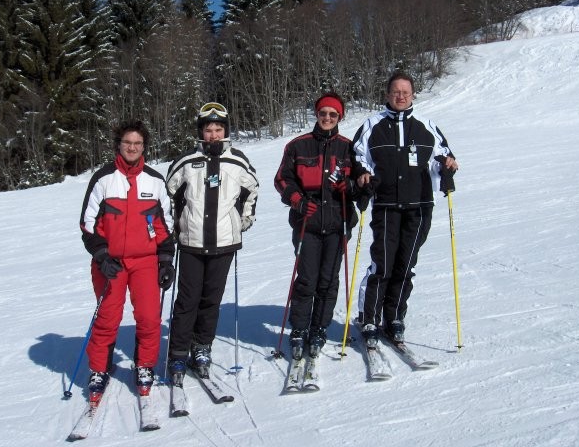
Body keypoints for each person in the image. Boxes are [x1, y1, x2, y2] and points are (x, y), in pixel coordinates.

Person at [352, 71, 458, 347]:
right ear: (387, 94)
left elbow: (441, 157)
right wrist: (362, 174)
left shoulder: (425, 125)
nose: (400, 96)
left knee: (405, 265)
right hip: (386, 205)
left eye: (405, 92)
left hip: (419, 207)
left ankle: (395, 317)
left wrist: (447, 165)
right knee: (382, 265)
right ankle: (370, 318)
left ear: (412, 95)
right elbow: (358, 157)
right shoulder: (372, 124)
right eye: (395, 92)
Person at [79, 119, 176, 402]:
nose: (132, 147)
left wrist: (166, 260)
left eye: (137, 143)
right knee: (107, 317)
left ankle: (144, 365)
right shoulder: (103, 179)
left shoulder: (155, 181)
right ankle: (99, 369)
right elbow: (88, 224)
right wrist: (101, 254)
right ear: (118, 145)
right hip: (111, 263)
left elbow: (164, 226)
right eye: (127, 143)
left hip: (145, 262)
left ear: (144, 146)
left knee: (148, 317)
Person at [165, 102, 258, 384]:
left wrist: (243, 221)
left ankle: (201, 347)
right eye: (209, 130)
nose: (214, 135)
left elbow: (251, 192)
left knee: (211, 300)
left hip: (224, 243)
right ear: (201, 132)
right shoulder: (186, 162)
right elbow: (168, 196)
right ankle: (178, 353)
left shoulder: (238, 161)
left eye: (218, 129)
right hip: (191, 242)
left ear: (226, 130)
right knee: (187, 300)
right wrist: (174, 226)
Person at [274, 92, 361, 361]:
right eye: (323, 113)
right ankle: (299, 329)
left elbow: (363, 179)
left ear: (339, 118)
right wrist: (298, 200)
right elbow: (282, 179)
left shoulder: (349, 148)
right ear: (317, 114)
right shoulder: (298, 146)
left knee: (328, 281)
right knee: (307, 280)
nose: (327, 118)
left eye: (333, 114)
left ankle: (319, 328)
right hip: (307, 226)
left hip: (338, 224)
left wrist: (351, 186)